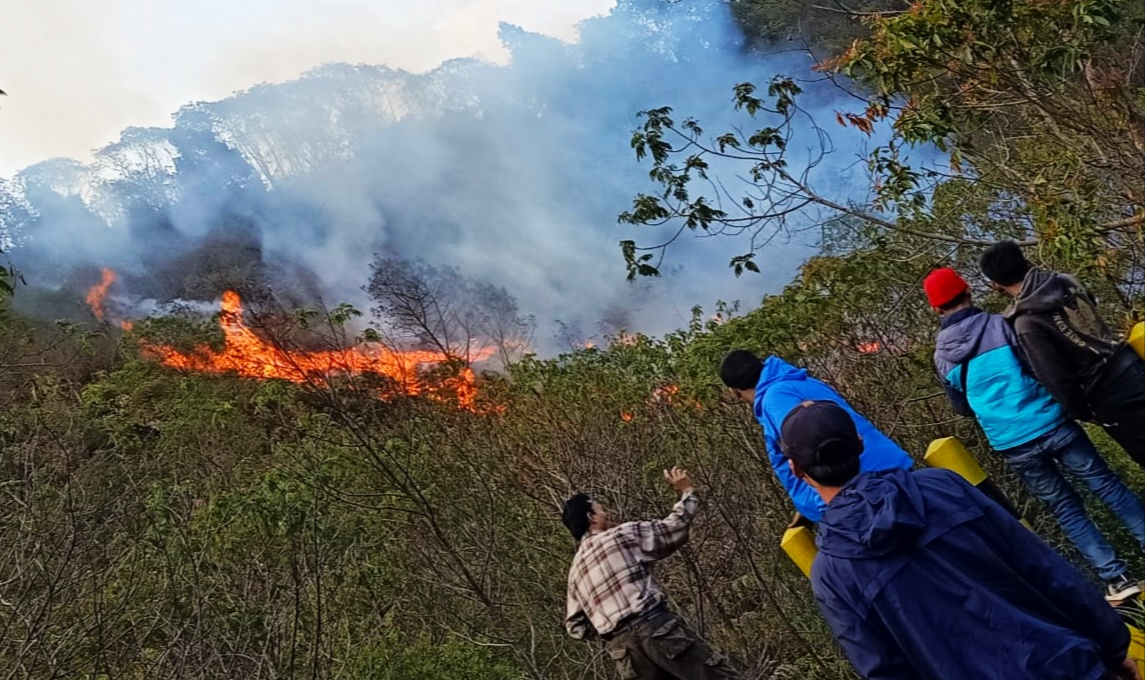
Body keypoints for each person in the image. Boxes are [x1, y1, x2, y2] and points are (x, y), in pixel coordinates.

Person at [781, 399, 1142, 680]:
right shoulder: (943, 486)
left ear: (796, 470)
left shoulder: (832, 574)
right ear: (860, 443)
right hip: (1064, 663)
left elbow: (884, 669)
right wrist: (1112, 646)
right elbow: (1043, 568)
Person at [924, 267, 1144, 601]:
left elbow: (962, 408)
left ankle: (1117, 577)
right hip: (1050, 420)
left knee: (1066, 509)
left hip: (1012, 442)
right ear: (968, 292)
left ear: (936, 308)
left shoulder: (941, 358)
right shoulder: (1000, 325)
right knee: (1106, 485)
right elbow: (1036, 365)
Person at [978, 239, 1145, 468]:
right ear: (1025, 261)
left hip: (1106, 392)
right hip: (1130, 363)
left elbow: (1054, 376)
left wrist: (1080, 411)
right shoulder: (1065, 280)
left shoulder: (1026, 323)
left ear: (995, 284)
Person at [562, 467, 739, 679]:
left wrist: (608, 627)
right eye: (601, 510)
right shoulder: (620, 536)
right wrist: (687, 491)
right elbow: (673, 527)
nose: (606, 513)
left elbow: (575, 626)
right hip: (656, 627)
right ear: (591, 517)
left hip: (623, 651)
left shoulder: (575, 573)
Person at [719, 350, 912, 523]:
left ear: (735, 392)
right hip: (887, 472)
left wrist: (819, 501)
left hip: (864, 496)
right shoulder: (799, 382)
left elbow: (814, 449)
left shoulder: (775, 399)